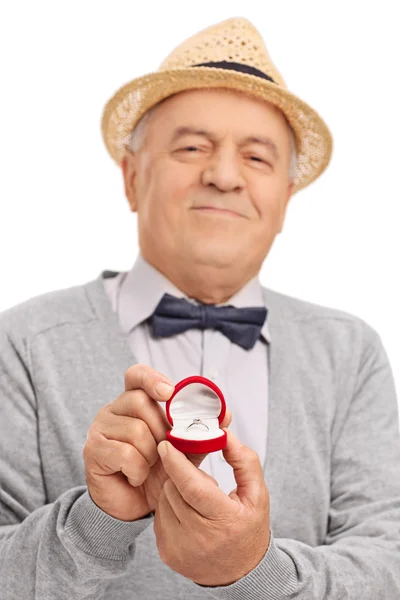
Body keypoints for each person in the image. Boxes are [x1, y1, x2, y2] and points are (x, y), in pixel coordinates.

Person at [1, 16, 399, 600]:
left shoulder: (349, 353)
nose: (223, 175)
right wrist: (95, 524)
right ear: (133, 178)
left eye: (258, 159)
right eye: (192, 148)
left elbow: (388, 566)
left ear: (285, 201)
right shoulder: (24, 342)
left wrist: (255, 568)